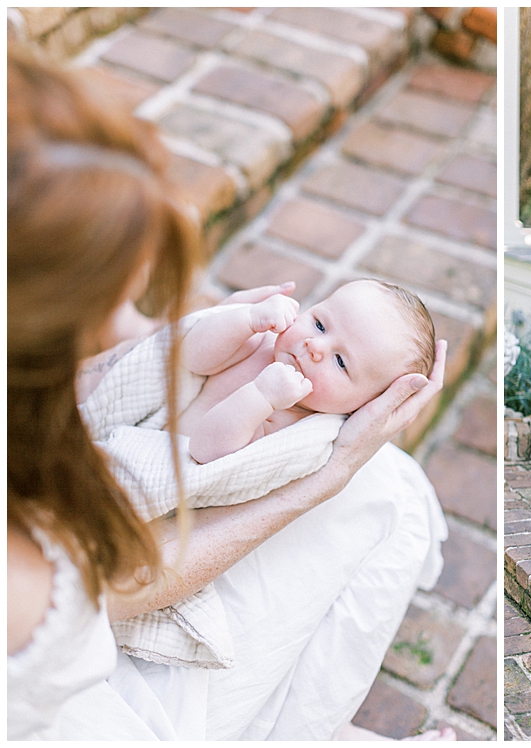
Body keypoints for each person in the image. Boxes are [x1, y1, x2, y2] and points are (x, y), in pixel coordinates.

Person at [8, 46, 454, 741]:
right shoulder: (31, 595)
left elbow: (152, 359)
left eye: (338, 356)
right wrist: (327, 475)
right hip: (122, 557)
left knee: (394, 487)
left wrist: (217, 334)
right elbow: (133, 558)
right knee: (393, 495)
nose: (133, 330)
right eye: (111, 305)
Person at [176, 279, 435, 463]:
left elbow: (203, 451)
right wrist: (247, 319)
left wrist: (261, 397)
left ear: (359, 407)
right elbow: (191, 358)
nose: (315, 346)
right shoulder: (263, 342)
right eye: (320, 324)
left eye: (341, 362)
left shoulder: (295, 429)